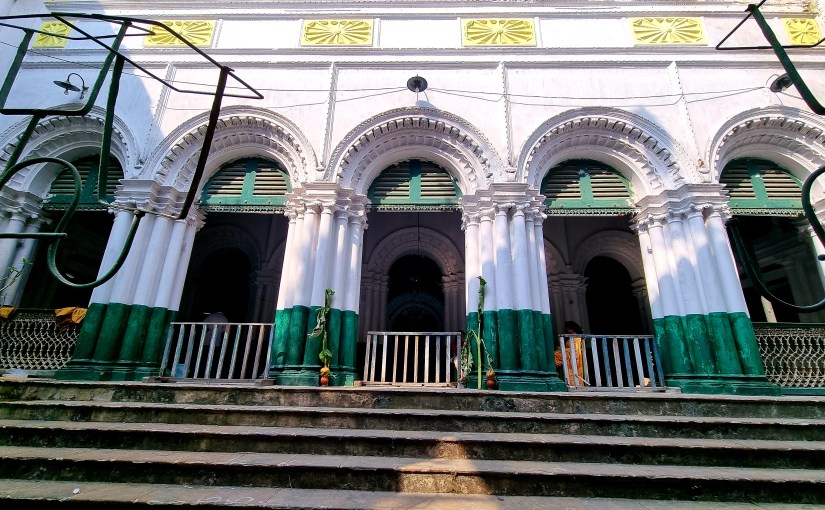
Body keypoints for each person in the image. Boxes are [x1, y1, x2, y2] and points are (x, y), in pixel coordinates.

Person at [555, 320, 587, 386]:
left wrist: (562, 350)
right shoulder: (572, 337)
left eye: (568, 329)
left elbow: (575, 350)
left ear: (572, 329)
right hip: (569, 355)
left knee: (554, 355)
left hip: (573, 356)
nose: (567, 331)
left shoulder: (576, 338)